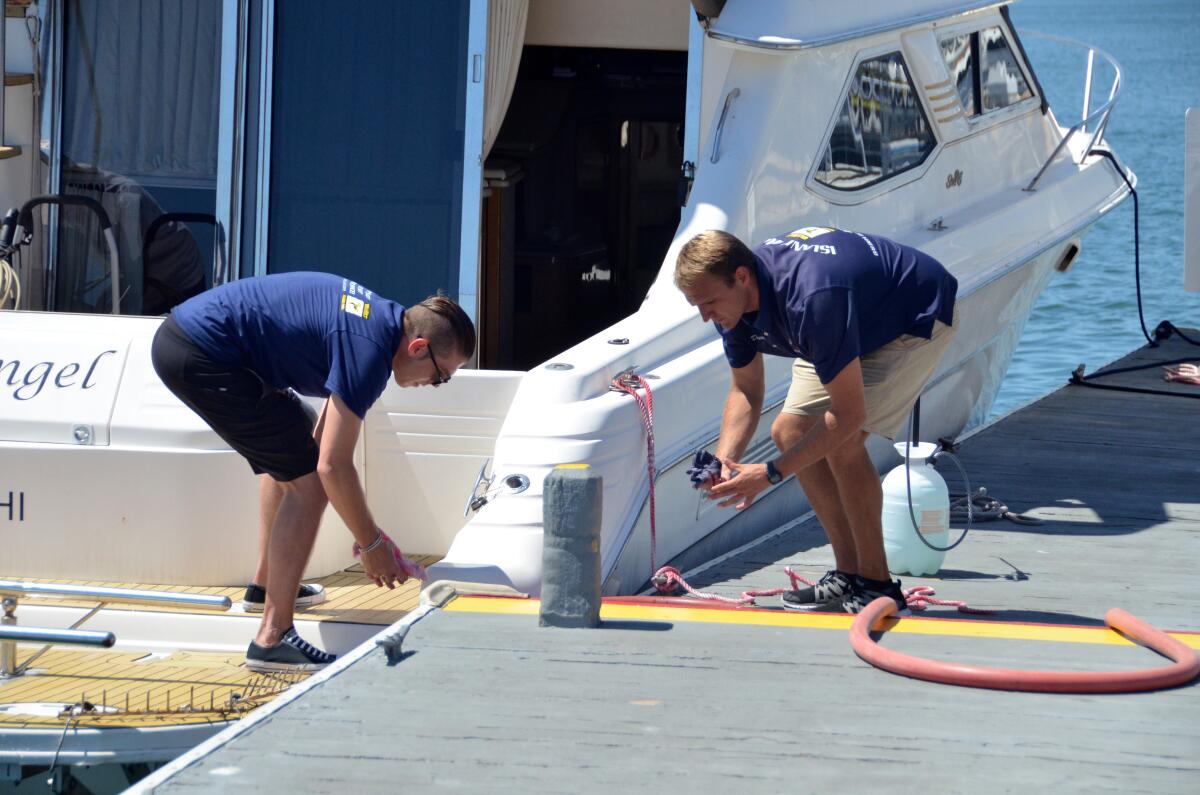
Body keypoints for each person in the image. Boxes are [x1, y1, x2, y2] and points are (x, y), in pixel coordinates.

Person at [150, 272, 476, 671]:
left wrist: (372, 538)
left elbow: (319, 446)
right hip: (204, 352)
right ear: (419, 346)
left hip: (191, 340)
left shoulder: (375, 324)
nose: (434, 383)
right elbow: (332, 468)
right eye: (441, 376)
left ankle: (266, 587)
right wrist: (372, 547)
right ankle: (272, 638)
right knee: (309, 488)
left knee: (296, 453)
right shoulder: (370, 351)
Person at [674, 227, 957, 614]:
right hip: (844, 321)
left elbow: (848, 414)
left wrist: (770, 473)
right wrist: (725, 460)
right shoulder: (733, 308)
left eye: (708, 302)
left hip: (911, 315)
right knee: (788, 431)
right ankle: (847, 574)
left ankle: (878, 585)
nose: (707, 317)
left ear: (741, 277)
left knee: (844, 442)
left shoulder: (811, 298)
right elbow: (745, 391)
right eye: (696, 306)